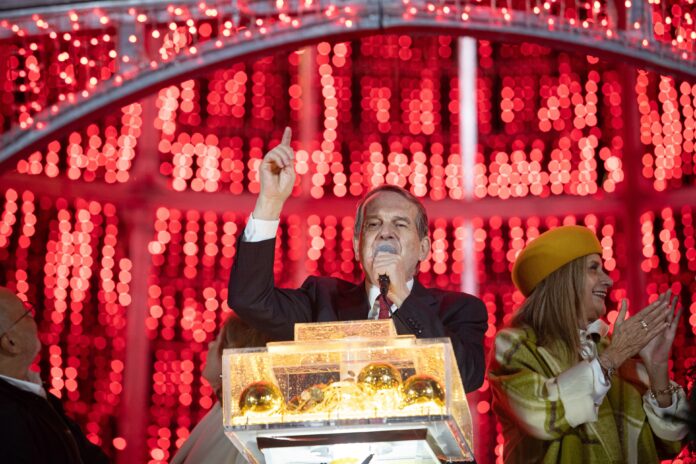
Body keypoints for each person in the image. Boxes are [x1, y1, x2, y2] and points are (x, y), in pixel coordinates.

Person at [227, 127, 487, 393]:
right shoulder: (323, 301)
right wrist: (270, 201)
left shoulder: (460, 310)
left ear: (423, 248)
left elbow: (466, 375)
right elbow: (250, 300)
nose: (386, 233)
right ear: (356, 245)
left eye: (400, 224)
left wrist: (402, 297)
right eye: (374, 224)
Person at [488, 225, 689, 463]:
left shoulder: (611, 349)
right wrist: (612, 358)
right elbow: (540, 415)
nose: (608, 280)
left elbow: (670, 443)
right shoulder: (517, 345)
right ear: (563, 279)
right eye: (594, 268)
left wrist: (657, 369)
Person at [0, 287, 109, 464]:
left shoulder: (31, 396)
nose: (33, 316)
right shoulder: (8, 420)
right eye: (26, 314)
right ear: (11, 343)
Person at [171, 313, 269, 464]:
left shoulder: (246, 426)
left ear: (234, 354)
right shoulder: (223, 411)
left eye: (218, 340)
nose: (210, 345)